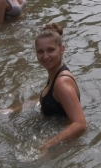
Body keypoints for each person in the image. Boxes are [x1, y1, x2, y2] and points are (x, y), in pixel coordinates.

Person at [35, 23, 87, 153]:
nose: (45, 56)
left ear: (62, 49)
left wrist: (47, 145)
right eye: (40, 51)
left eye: (50, 50)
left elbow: (80, 124)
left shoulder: (62, 83)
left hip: (64, 147)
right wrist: (16, 109)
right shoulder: (54, 73)